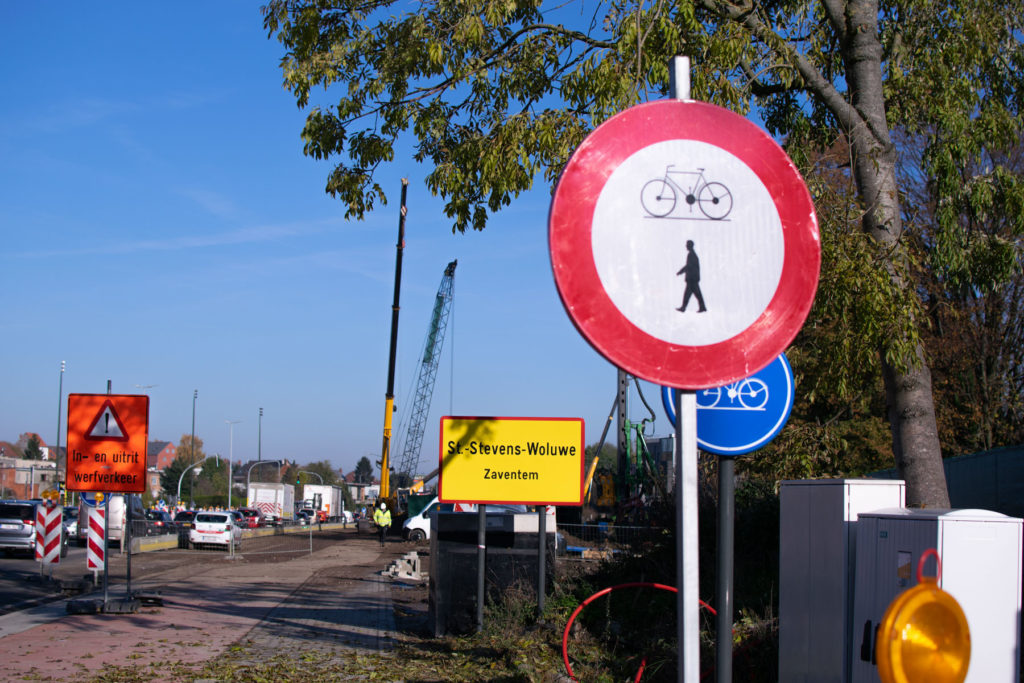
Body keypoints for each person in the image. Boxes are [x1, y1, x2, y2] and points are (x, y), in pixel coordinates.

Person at [676, 240, 707, 313]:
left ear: (689, 246)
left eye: (687, 245)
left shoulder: (691, 255)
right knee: (696, 294)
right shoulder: (692, 254)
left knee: (690, 294)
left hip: (692, 279)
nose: (686, 246)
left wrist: (680, 272)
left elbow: (688, 266)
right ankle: (701, 307)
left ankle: (684, 307)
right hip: (693, 279)